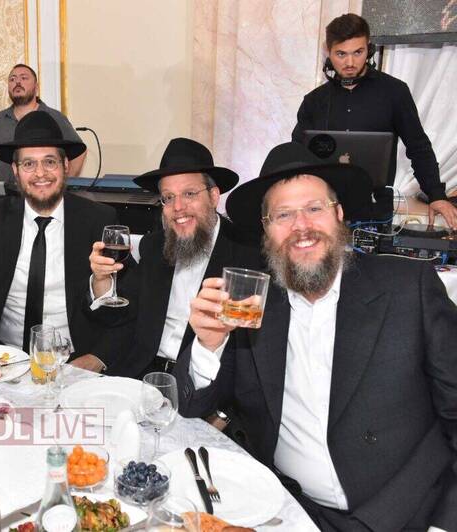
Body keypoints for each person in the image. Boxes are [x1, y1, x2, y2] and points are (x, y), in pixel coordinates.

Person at [179, 141, 457, 531]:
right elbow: (192, 407)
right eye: (283, 215)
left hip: (409, 512)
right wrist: (208, 345)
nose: (301, 227)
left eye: (314, 208)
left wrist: (445, 522)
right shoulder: (251, 303)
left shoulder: (408, 288)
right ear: (266, 230)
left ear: (339, 214)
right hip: (291, 509)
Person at [0, 110, 116, 366]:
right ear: (15, 171)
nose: (40, 173)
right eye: (28, 164)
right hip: (3, 359)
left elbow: (125, 304)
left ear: (65, 166)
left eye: (49, 162)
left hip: (71, 361)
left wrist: (96, 358)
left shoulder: (97, 219)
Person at [86, 138, 260, 377]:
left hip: (205, 381)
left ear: (213, 196)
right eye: (168, 197)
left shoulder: (248, 253)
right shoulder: (154, 246)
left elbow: (251, 346)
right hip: (141, 374)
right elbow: (124, 318)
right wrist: (102, 281)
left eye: (189, 193)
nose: (178, 207)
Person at [291, 13, 457, 229]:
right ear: (328, 51)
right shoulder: (314, 101)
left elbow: (418, 147)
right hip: (323, 209)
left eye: (357, 52)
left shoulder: (394, 92)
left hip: (374, 208)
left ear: (369, 49)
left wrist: (436, 195)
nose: (350, 62)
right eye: (341, 54)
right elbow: (296, 154)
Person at [0, 64, 86, 184]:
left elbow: (79, 153)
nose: (17, 82)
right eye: (12, 79)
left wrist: (65, 184)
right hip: (6, 193)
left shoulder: (54, 117)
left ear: (36, 87)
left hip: (43, 190)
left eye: (24, 78)